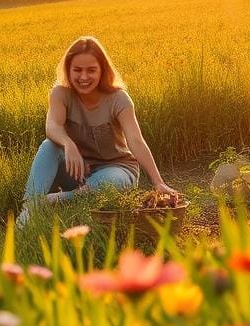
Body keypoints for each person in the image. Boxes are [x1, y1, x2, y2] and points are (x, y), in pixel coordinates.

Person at [19, 36, 176, 226]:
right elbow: (52, 126)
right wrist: (69, 144)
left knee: (111, 180)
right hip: (77, 169)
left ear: (102, 70)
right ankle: (30, 209)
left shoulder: (119, 99)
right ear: (68, 70)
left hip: (116, 170)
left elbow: (135, 141)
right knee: (49, 146)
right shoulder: (60, 94)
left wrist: (157, 181)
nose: (83, 77)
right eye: (77, 70)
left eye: (91, 70)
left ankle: (57, 200)